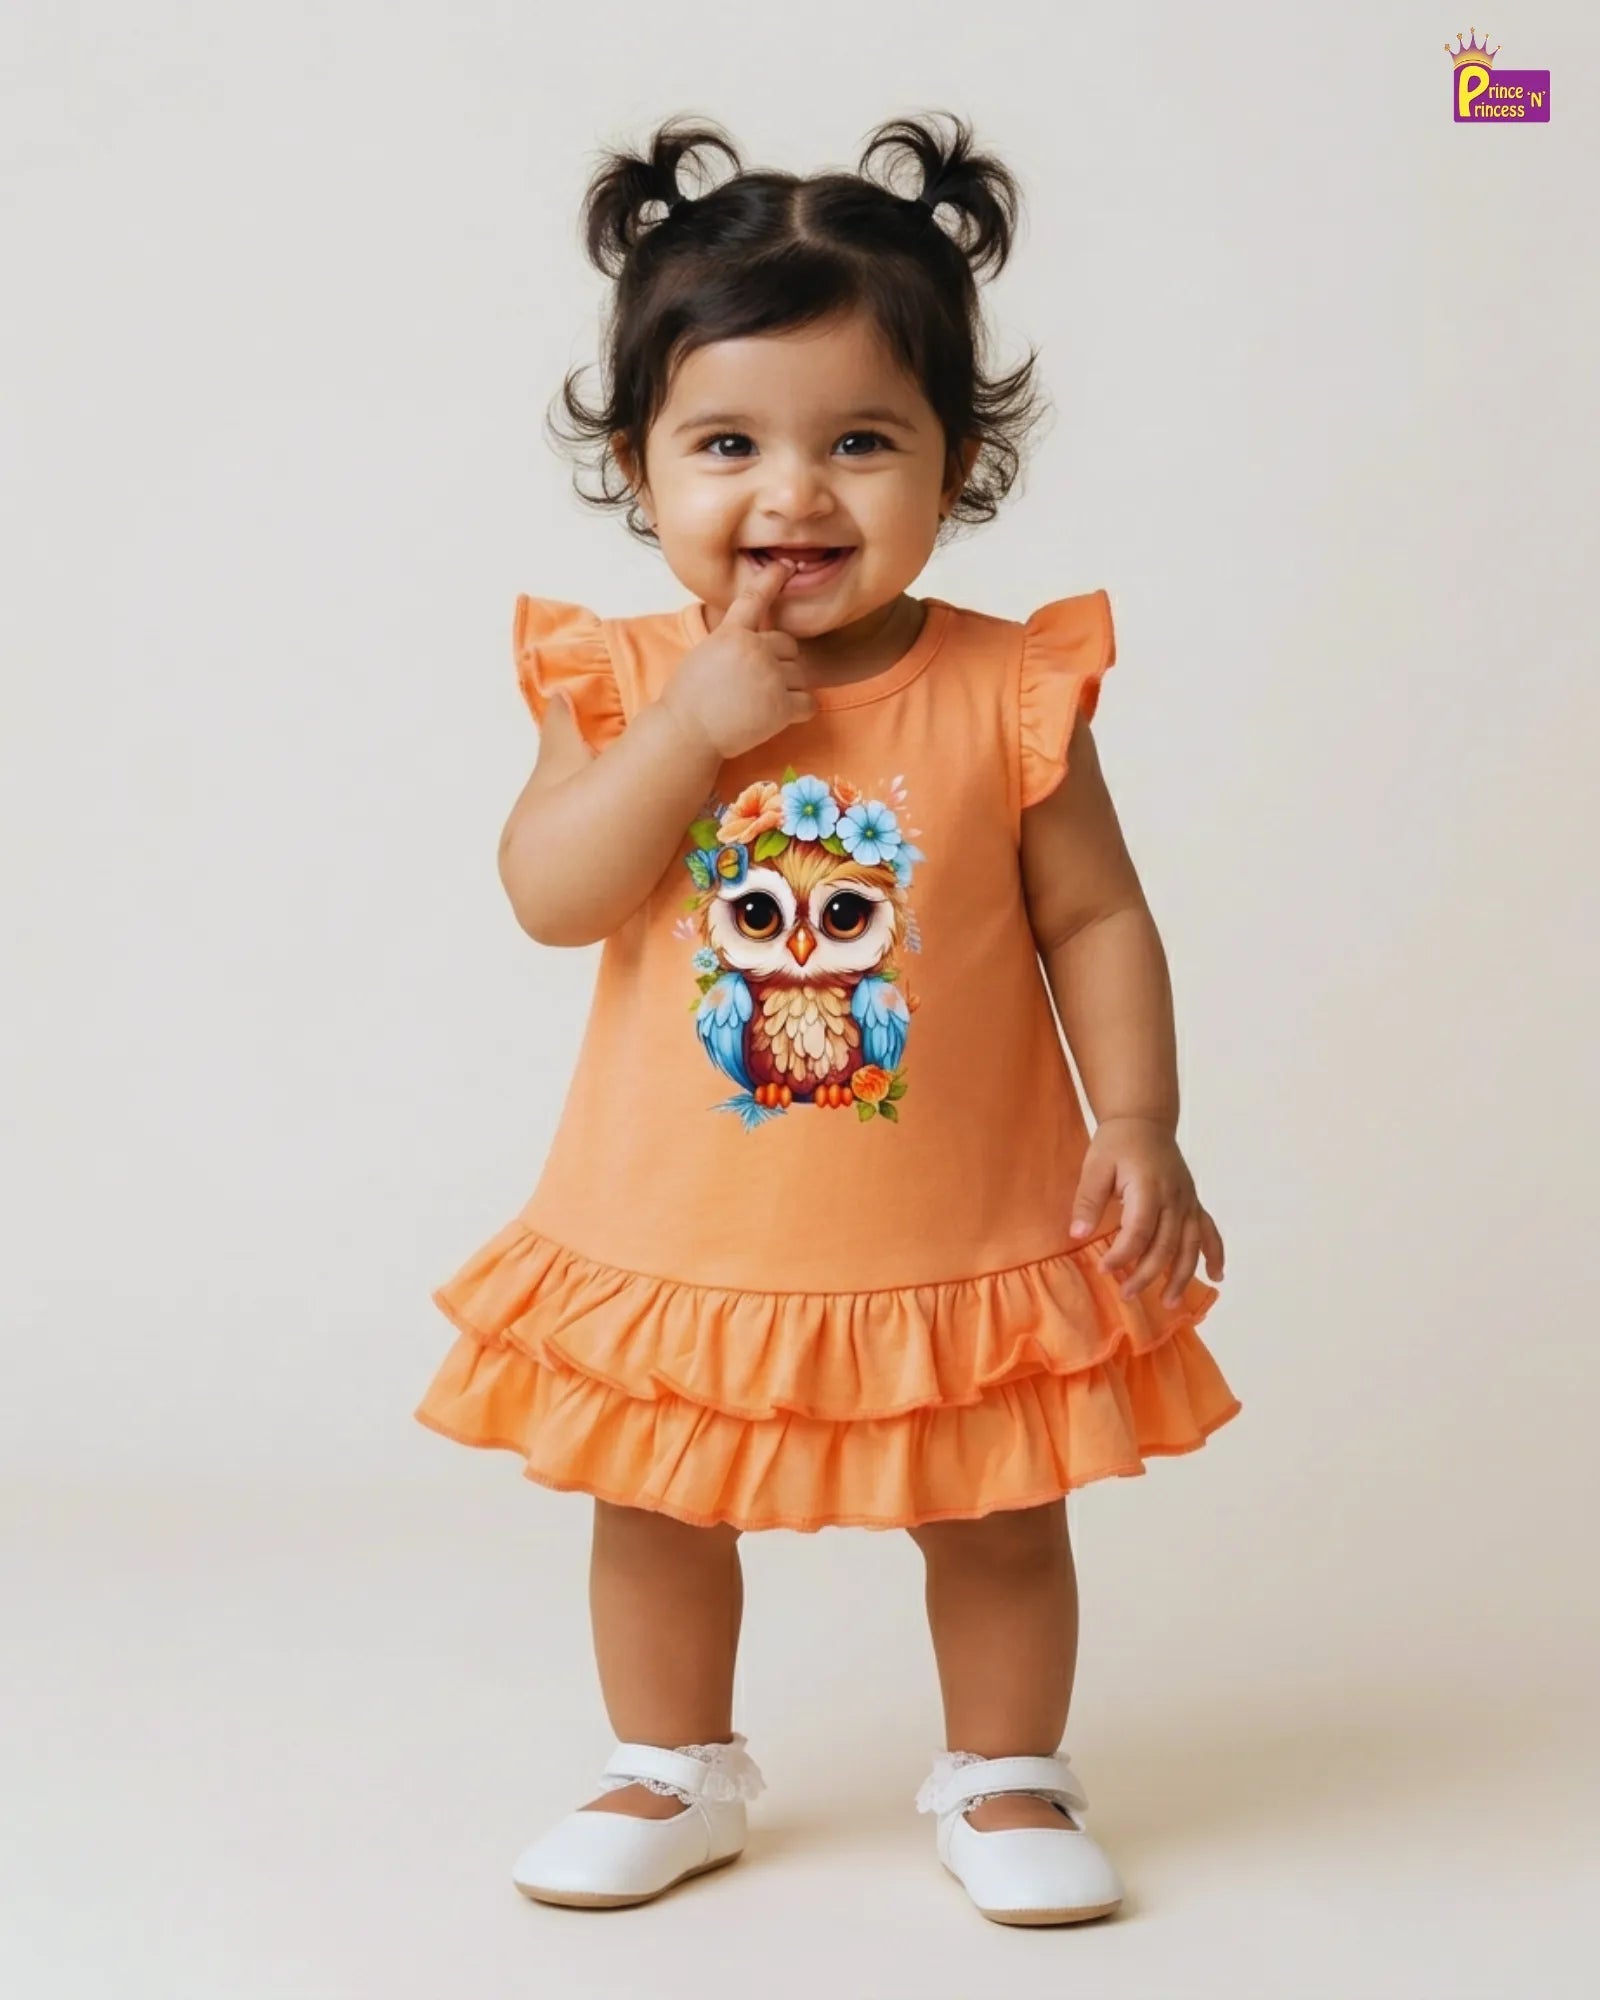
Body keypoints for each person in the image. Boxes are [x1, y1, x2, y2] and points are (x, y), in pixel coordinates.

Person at [414, 111, 1242, 1926]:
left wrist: (1141, 1121)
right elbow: (554, 891)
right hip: (681, 1231)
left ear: (960, 462)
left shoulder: (1008, 687)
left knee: (999, 1508)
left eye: (862, 440)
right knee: (656, 1504)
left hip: (964, 1224)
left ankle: (1008, 1771)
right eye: (729, 444)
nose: (794, 495)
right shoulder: (617, 681)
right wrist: (691, 729)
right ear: (638, 468)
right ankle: (669, 1764)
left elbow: (1095, 912)